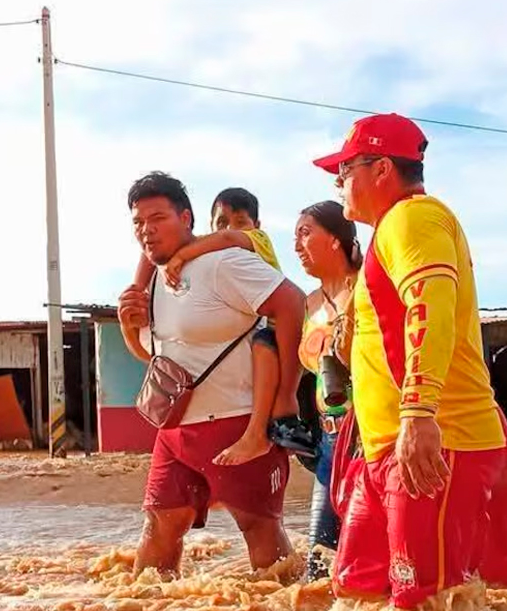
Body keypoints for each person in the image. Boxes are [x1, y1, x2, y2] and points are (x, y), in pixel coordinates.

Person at [312, 113, 507, 607]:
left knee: (428, 598)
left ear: (381, 168)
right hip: (388, 447)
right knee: (358, 588)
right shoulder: (392, 231)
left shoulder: (413, 217)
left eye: (345, 171)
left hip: (436, 441)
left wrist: (419, 412)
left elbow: (431, 303)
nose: (340, 183)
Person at [117, 171, 306, 579]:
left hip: (239, 425)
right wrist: (128, 328)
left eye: (157, 219)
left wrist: (285, 397)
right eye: (138, 223)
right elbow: (156, 358)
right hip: (175, 432)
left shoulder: (224, 262)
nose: (146, 231)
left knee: (264, 541)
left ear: (187, 219)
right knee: (157, 535)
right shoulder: (152, 283)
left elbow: (292, 304)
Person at [143, 186, 311, 466]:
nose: (231, 228)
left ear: (256, 226)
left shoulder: (254, 241)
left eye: (240, 221)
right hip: (259, 340)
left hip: (278, 335)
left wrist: (183, 255)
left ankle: (273, 415)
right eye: (221, 221)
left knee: (261, 346)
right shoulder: (208, 258)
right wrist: (139, 287)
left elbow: (226, 238)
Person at [293, 200, 362, 580]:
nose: (297, 245)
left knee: (372, 557)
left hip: (368, 436)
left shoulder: (366, 288)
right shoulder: (309, 304)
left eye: (306, 233)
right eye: (295, 237)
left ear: (336, 239)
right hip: (329, 441)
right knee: (320, 564)